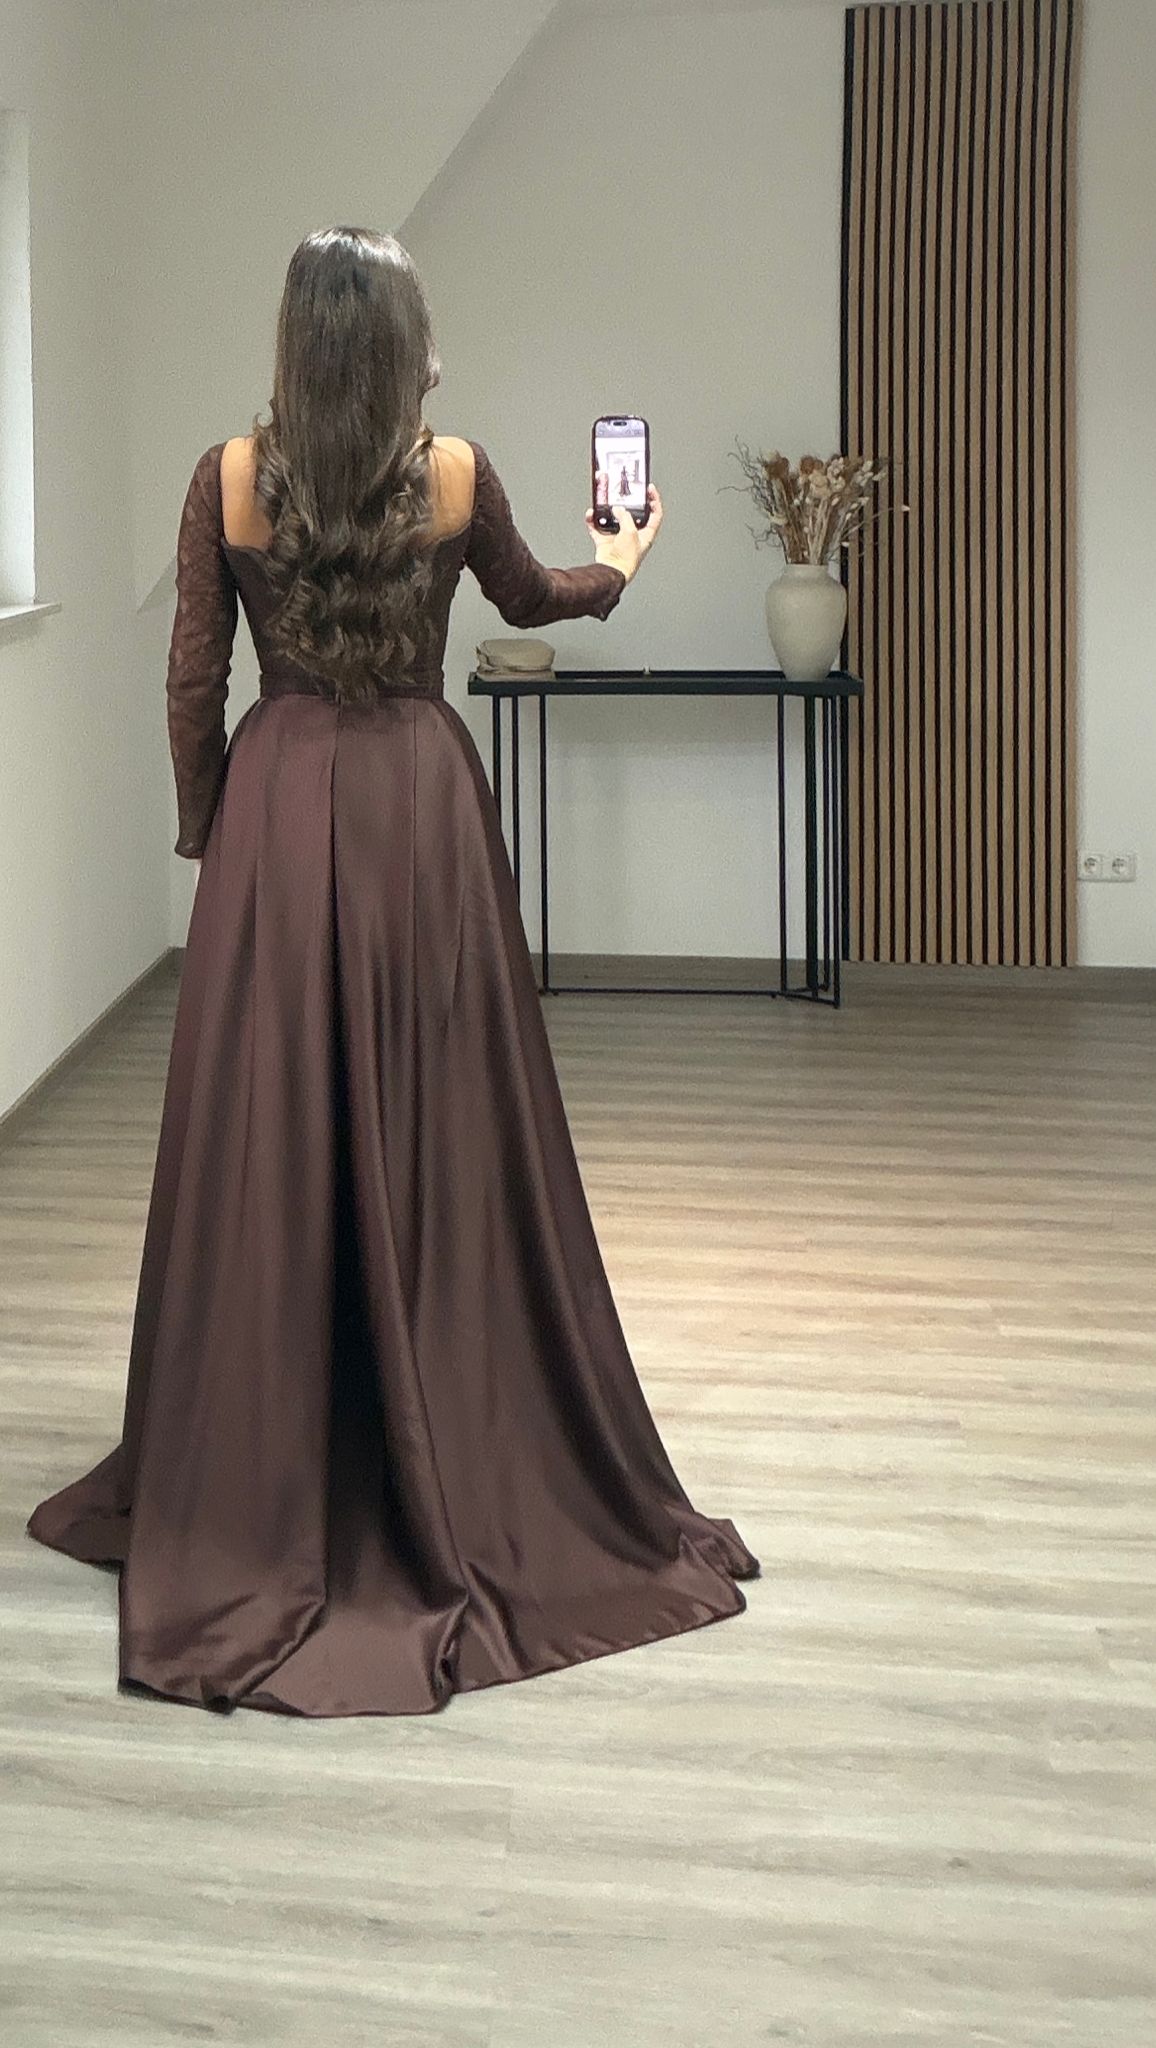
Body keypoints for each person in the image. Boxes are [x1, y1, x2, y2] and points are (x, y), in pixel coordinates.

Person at [27, 226, 758, 1717]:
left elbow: (191, 680)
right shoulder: (457, 474)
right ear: (401, 342)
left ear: (295, 342)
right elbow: (532, 599)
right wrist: (619, 564)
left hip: (279, 808)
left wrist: (209, 832)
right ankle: (446, 1405)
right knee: (443, 1117)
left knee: (270, 1124)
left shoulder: (228, 478)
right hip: (420, 805)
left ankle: (271, 1436)